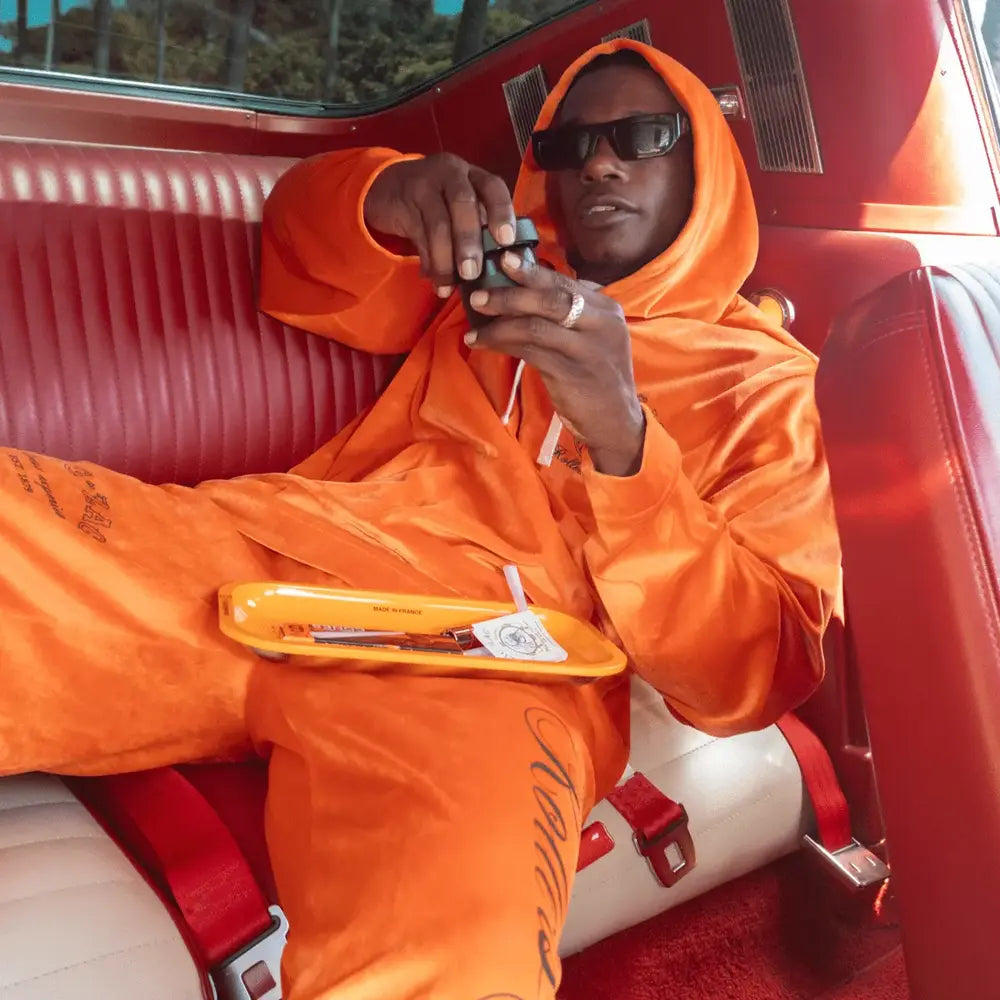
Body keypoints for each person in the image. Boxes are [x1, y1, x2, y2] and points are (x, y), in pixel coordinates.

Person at [0, 39, 840, 1000]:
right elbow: (304, 258)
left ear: (706, 164)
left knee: (457, 964)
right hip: (281, 558)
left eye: (641, 136)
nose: (599, 163)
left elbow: (755, 669)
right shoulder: (497, 280)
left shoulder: (767, 384)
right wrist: (385, 195)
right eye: (571, 145)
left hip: (500, 667)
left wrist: (625, 442)